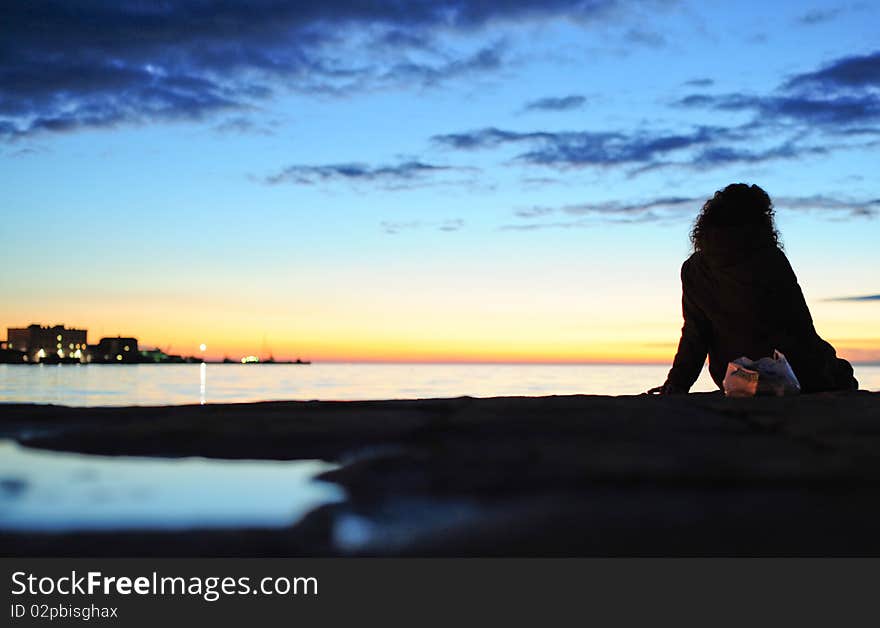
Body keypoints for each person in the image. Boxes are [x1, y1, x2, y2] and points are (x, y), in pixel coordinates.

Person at [649, 183, 857, 395]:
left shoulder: (693, 268)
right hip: (784, 371)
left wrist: (677, 384)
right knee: (842, 371)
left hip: (732, 375)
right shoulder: (769, 259)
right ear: (760, 221)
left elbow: (695, 334)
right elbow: (800, 327)